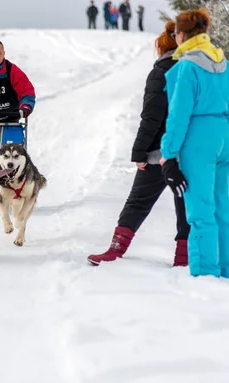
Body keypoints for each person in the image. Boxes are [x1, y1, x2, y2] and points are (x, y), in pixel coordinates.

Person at [88, 21, 190, 267]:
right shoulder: (195, 69)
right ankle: (184, 258)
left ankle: (115, 249)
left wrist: (139, 152)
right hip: (189, 150)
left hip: (159, 152)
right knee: (186, 204)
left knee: (138, 201)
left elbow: (152, 116)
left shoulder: (162, 71)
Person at [160, 9, 229, 278]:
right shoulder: (223, 63)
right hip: (224, 135)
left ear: (180, 35)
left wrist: (168, 153)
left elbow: (178, 115)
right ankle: (224, 270)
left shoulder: (187, 66)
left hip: (198, 138)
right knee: (222, 207)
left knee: (200, 211)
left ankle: (205, 275)